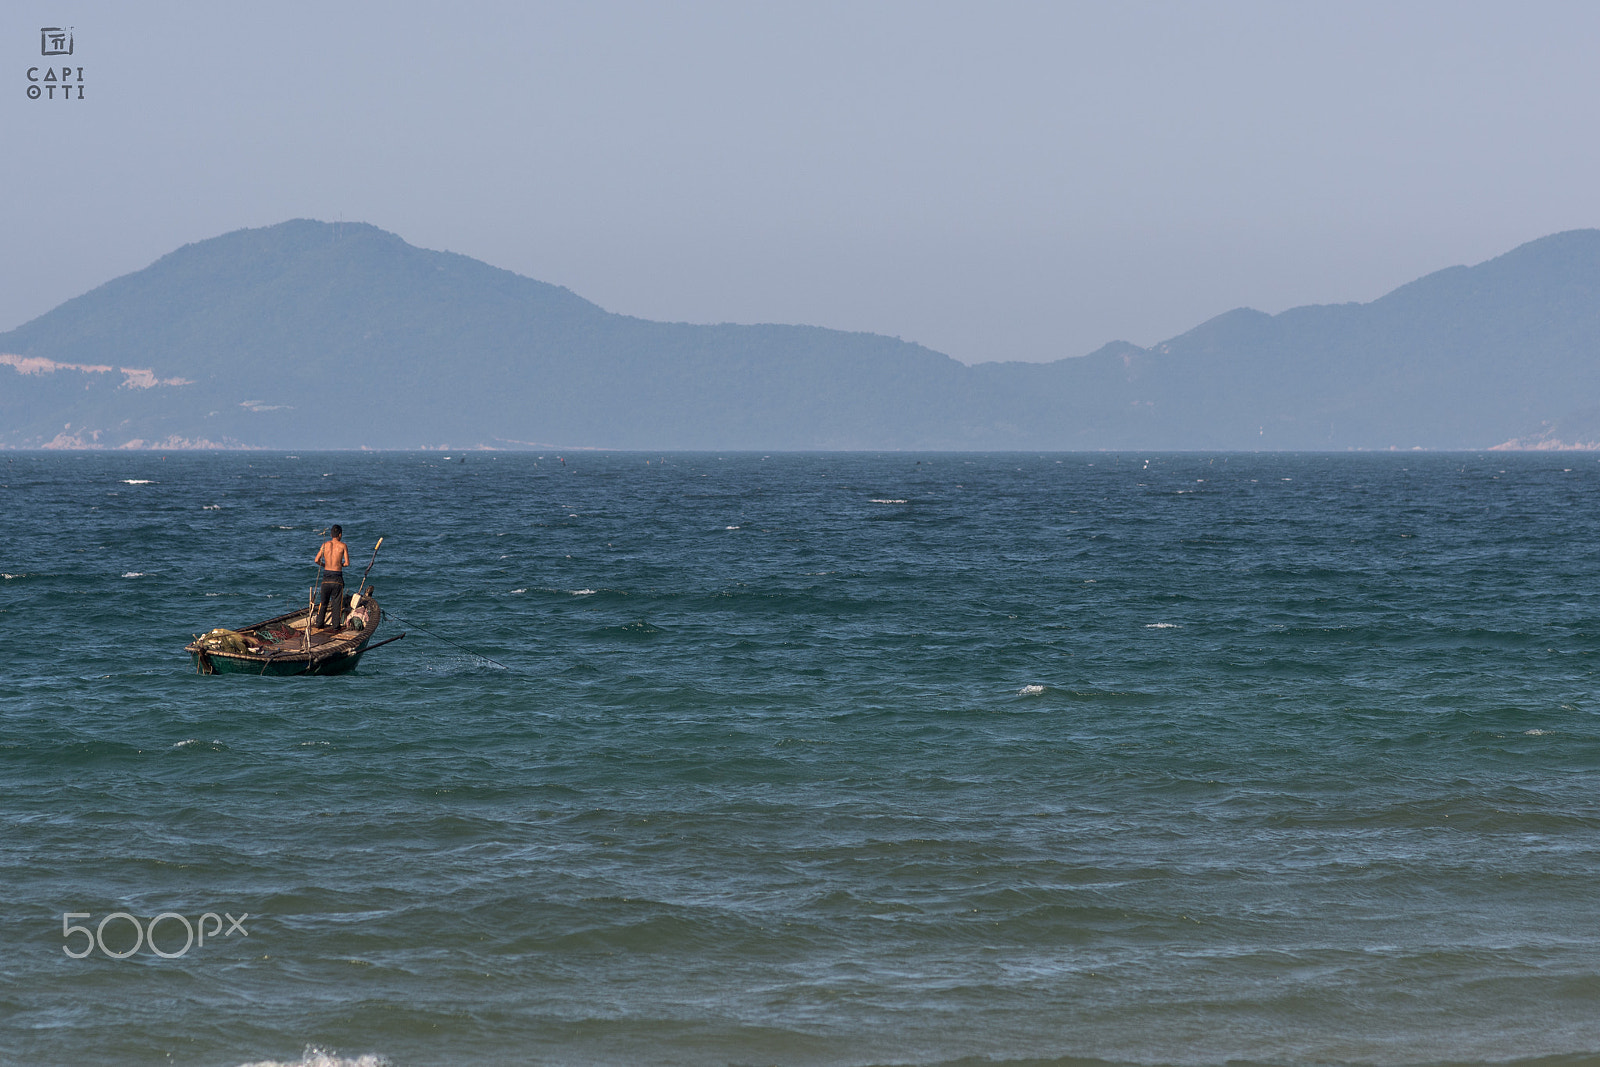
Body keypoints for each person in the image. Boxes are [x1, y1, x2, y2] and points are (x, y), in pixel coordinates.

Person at [312, 524, 350, 630]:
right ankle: (336, 626)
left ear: (331, 534)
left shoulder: (325, 545)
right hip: (337, 578)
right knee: (336, 604)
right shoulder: (343, 546)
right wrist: (339, 564)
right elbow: (347, 563)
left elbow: (316, 560)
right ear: (340, 534)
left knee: (323, 602)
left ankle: (319, 624)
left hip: (326, 577)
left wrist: (324, 565)